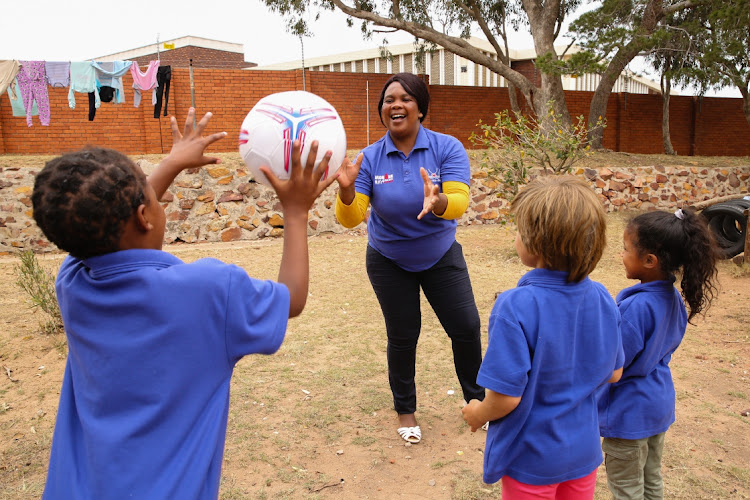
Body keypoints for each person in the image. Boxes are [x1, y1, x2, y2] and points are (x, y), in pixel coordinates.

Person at [32, 108, 338, 499]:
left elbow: (95, 226)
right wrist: (296, 212)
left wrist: (171, 163)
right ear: (144, 216)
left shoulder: (72, 283)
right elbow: (291, 300)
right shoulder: (209, 290)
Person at [334, 72, 485, 444]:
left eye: (405, 99)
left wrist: (439, 201)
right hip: (388, 259)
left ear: (420, 108)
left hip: (440, 253)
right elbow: (351, 219)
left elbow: (460, 203)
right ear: (383, 111)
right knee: (403, 335)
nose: (395, 105)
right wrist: (349, 190)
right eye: (388, 100)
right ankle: (406, 411)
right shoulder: (369, 157)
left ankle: (479, 403)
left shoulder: (447, 148)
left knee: (465, 328)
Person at [462, 175, 624, 499]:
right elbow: (615, 372)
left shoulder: (515, 306)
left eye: (520, 231)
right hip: (584, 454)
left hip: (532, 459)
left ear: (536, 244)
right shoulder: (603, 296)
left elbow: (506, 397)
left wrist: (477, 413)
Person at [598, 208, 719, 499]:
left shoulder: (636, 308)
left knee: (627, 488)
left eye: (626, 249)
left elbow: (614, 364)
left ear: (650, 261)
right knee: (651, 480)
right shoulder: (673, 298)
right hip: (657, 405)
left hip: (629, 413)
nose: (622, 255)